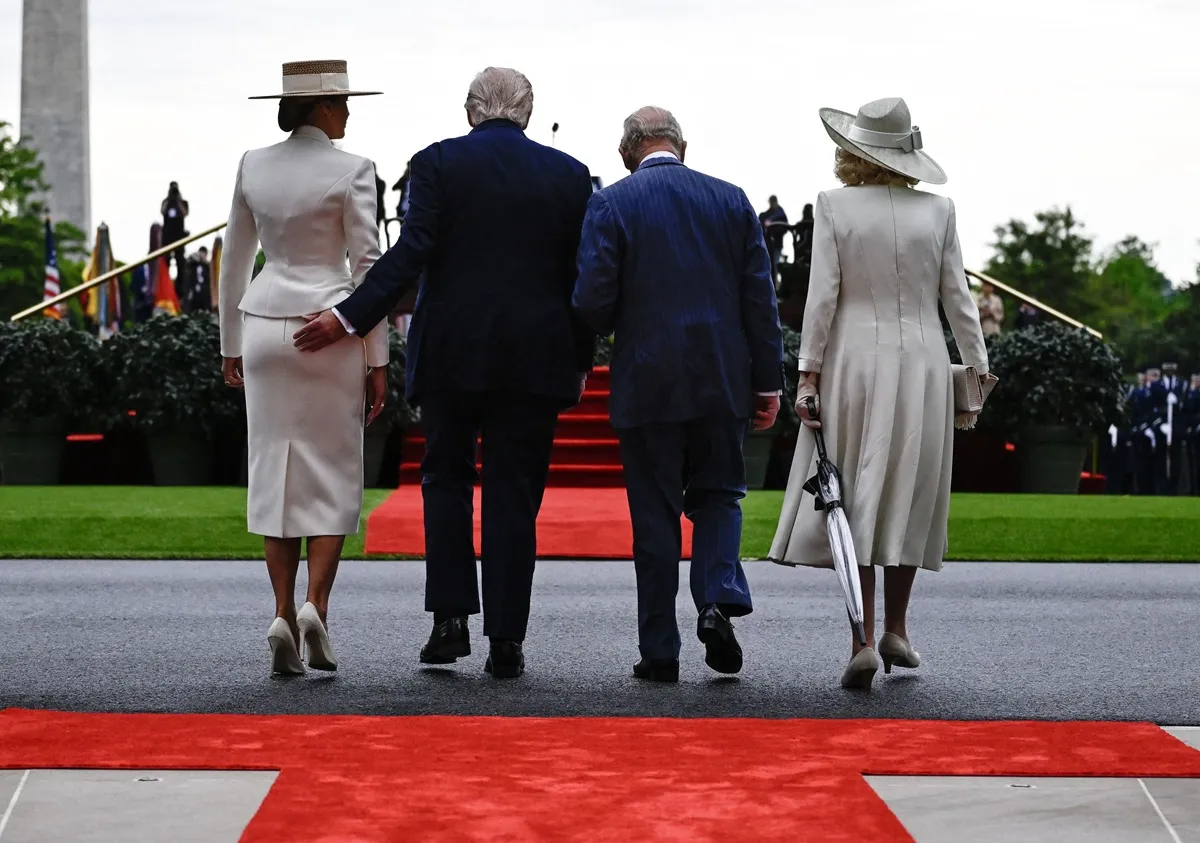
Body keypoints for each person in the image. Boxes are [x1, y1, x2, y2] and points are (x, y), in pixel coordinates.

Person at [293, 67, 595, 679]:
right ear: (528, 114)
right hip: (536, 358)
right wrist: (581, 356)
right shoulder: (569, 176)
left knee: (446, 482)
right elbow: (582, 277)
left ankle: (450, 621)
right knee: (515, 496)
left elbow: (412, 250)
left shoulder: (435, 163)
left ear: (469, 112)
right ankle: (507, 638)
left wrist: (348, 316)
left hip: (454, 353)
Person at [768, 97, 988, 690]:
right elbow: (958, 302)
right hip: (921, 364)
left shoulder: (835, 207)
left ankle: (862, 639)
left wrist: (808, 374)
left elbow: (822, 300)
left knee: (857, 496)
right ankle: (898, 628)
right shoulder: (939, 211)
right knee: (909, 492)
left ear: (853, 151)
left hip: (853, 366)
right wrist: (978, 368)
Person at [574, 107, 784, 682]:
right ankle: (716, 597)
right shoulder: (731, 199)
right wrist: (767, 380)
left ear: (626, 152)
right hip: (721, 376)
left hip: (647, 379)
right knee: (719, 494)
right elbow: (759, 300)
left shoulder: (611, 203)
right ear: (682, 147)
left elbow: (592, 301)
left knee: (655, 516)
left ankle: (659, 650)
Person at [218, 60, 388, 677]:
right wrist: (377, 358)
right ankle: (318, 606)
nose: (347, 111)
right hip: (331, 329)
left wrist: (229, 343)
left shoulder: (251, 164)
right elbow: (369, 268)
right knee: (334, 471)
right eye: (341, 101)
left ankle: (282, 612)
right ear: (322, 109)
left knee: (274, 474)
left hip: (263, 325)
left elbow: (234, 260)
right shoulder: (354, 169)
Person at [161, 181, 190, 280]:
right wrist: (169, 200)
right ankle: (166, 281)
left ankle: (180, 287)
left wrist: (178, 201)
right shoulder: (166, 202)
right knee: (166, 260)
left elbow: (185, 213)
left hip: (179, 235)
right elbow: (162, 211)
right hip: (167, 236)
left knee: (180, 261)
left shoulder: (183, 202)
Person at [759, 195, 789, 286]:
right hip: (767, 244)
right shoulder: (766, 215)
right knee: (768, 265)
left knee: (775, 265)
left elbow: (785, 227)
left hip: (777, 244)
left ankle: (775, 284)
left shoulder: (781, 215)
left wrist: (775, 231)